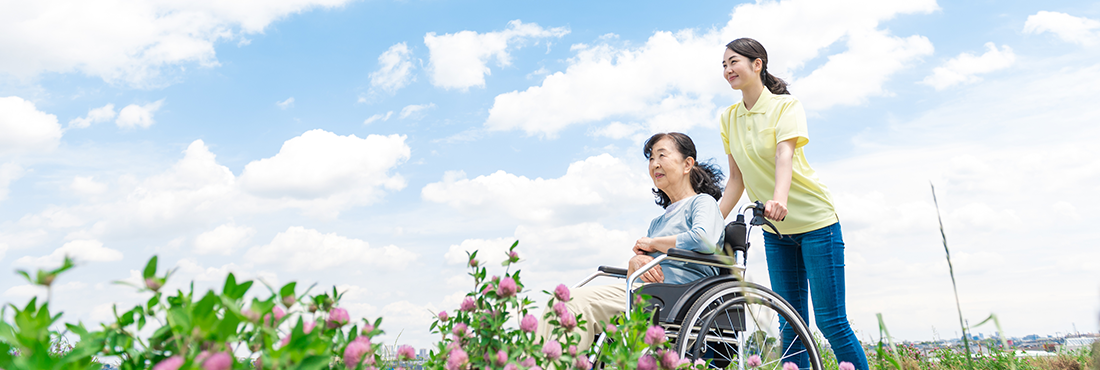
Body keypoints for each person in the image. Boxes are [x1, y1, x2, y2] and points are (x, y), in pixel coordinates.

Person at [716, 37, 869, 369]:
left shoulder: (786, 106)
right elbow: (736, 180)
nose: (728, 69)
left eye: (734, 62)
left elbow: (784, 155)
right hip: (776, 231)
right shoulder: (728, 118)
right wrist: (710, 223)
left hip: (815, 224)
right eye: (724, 64)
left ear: (757, 64)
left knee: (831, 322)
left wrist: (779, 199)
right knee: (791, 324)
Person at [536, 132, 725, 350]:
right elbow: (640, 265)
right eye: (651, 159)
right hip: (647, 293)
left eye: (662, 156)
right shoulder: (657, 222)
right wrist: (635, 262)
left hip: (678, 296)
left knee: (574, 303)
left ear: (687, 164)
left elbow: (703, 240)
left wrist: (653, 245)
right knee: (560, 302)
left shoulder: (702, 203)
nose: (654, 164)